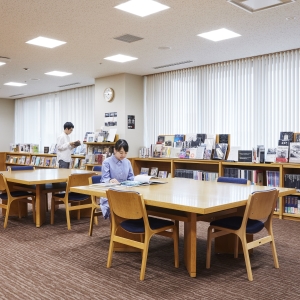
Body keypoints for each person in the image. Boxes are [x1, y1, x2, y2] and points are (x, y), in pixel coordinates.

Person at [100, 139, 134, 218]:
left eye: (125, 153)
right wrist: (110, 181)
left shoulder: (127, 162)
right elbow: (104, 180)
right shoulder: (107, 162)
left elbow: (131, 178)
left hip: (126, 191)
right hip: (111, 192)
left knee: (137, 205)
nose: (123, 155)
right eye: (121, 153)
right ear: (115, 150)